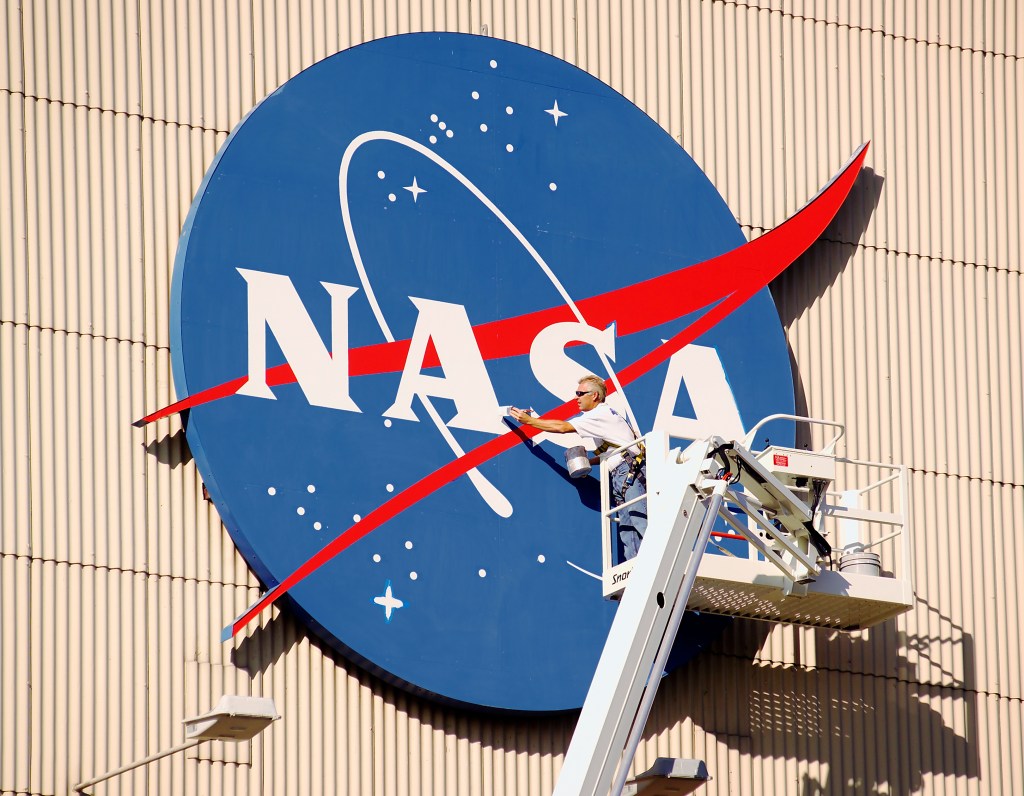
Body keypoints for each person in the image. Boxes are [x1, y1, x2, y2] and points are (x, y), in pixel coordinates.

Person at [510, 375, 648, 559]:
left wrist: (529, 422)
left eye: (580, 393)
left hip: (628, 473)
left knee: (639, 522)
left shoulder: (599, 414)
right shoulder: (607, 416)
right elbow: (617, 449)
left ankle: (658, 564)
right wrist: (588, 462)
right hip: (623, 473)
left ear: (595, 396)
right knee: (627, 529)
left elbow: (562, 427)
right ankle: (637, 573)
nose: (576, 398)